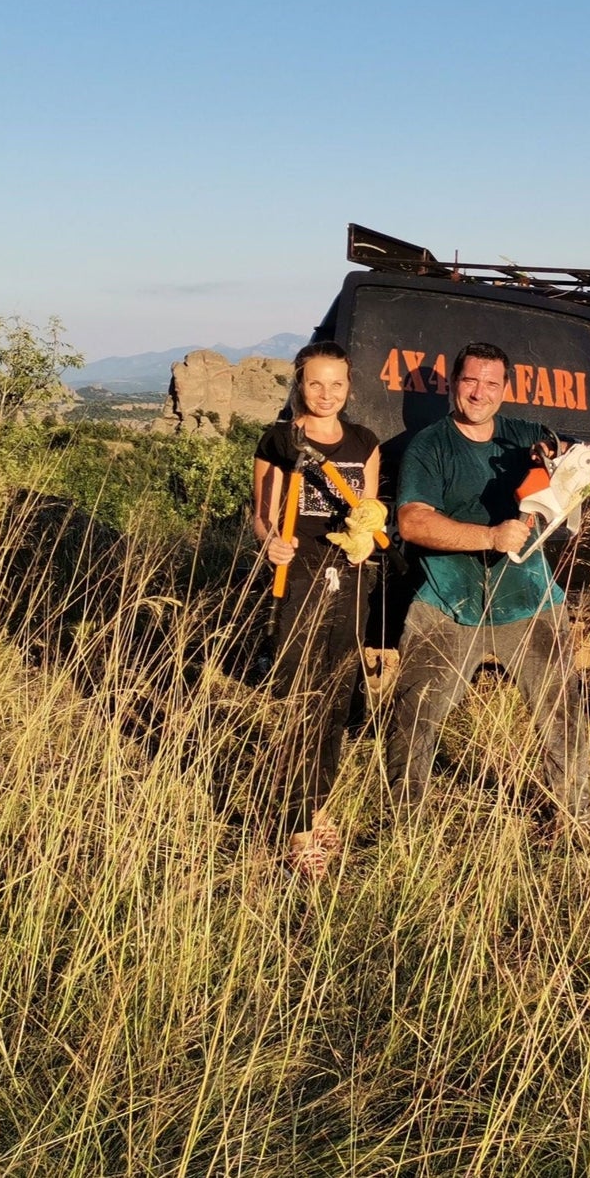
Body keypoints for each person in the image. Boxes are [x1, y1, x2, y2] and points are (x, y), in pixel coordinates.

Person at [384, 342, 590, 823]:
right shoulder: (430, 445)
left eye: (491, 383)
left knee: (562, 715)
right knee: (415, 717)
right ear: (454, 384)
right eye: (470, 381)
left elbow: (569, 456)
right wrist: (490, 536)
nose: (480, 393)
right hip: (447, 600)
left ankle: (573, 818)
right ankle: (405, 824)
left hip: (529, 598)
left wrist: (559, 456)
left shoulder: (524, 434)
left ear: (504, 389)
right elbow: (413, 523)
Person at [253, 340, 382, 876]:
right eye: (315, 383)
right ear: (299, 386)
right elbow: (261, 512)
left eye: (337, 384)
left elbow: (370, 512)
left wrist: (367, 537)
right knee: (305, 696)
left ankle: (318, 801)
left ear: (349, 388)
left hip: (351, 577)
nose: (326, 394)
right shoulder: (280, 440)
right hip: (301, 572)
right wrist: (268, 542)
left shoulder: (364, 441)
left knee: (337, 697)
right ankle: (299, 824)